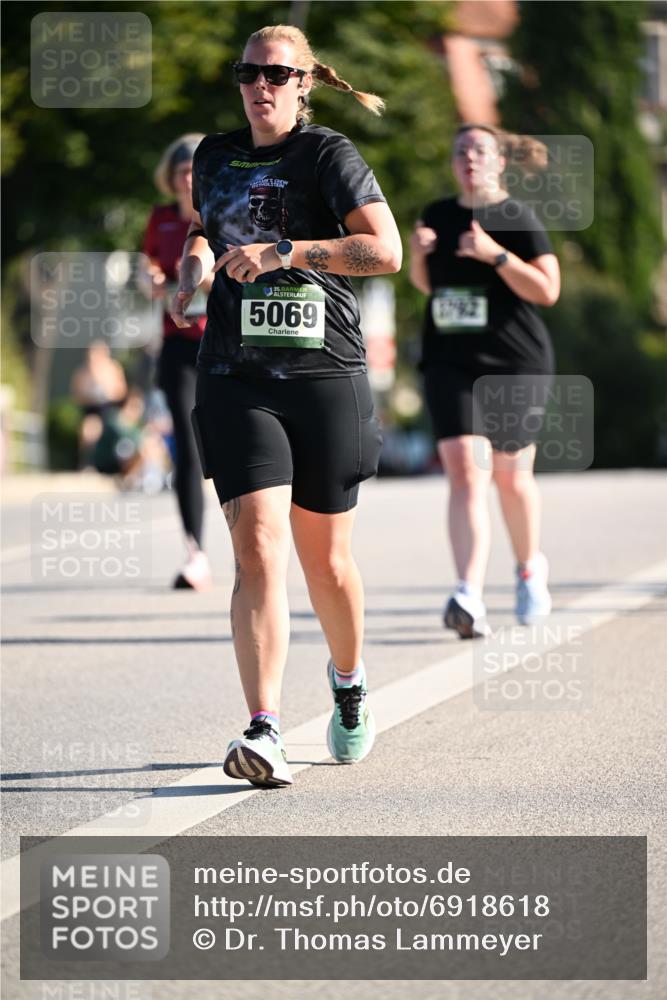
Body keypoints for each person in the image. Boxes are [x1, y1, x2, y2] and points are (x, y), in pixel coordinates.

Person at [170, 24, 401, 787]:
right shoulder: (213, 154)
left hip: (324, 373)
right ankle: (264, 726)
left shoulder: (327, 155)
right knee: (258, 546)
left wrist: (287, 253)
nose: (260, 84)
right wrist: (192, 270)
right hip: (235, 373)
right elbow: (205, 229)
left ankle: (347, 681)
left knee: (325, 562)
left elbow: (384, 252)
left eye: (277, 73)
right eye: (248, 71)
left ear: (305, 84)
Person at [409, 124, 561, 638]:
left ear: (498, 161)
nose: (468, 158)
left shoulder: (516, 216)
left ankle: (528, 570)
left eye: (479, 150)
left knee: (510, 476)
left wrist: (495, 254)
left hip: (514, 361)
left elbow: (547, 290)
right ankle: (468, 593)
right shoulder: (437, 214)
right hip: (450, 359)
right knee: (464, 471)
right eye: (460, 151)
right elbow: (428, 287)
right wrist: (421, 256)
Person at [140, 134, 214, 590]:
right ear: (170, 179)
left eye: (194, 171)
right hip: (179, 345)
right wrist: (151, 279)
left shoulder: (226, 213)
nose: (187, 179)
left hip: (228, 344)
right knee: (186, 447)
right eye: (180, 172)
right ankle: (196, 553)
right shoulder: (161, 221)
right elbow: (153, 272)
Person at [70, 341, 127, 467]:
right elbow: (76, 395)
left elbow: (122, 391)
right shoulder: (82, 372)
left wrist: (108, 392)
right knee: (88, 430)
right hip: (91, 409)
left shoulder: (113, 369)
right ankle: (88, 462)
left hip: (110, 407)